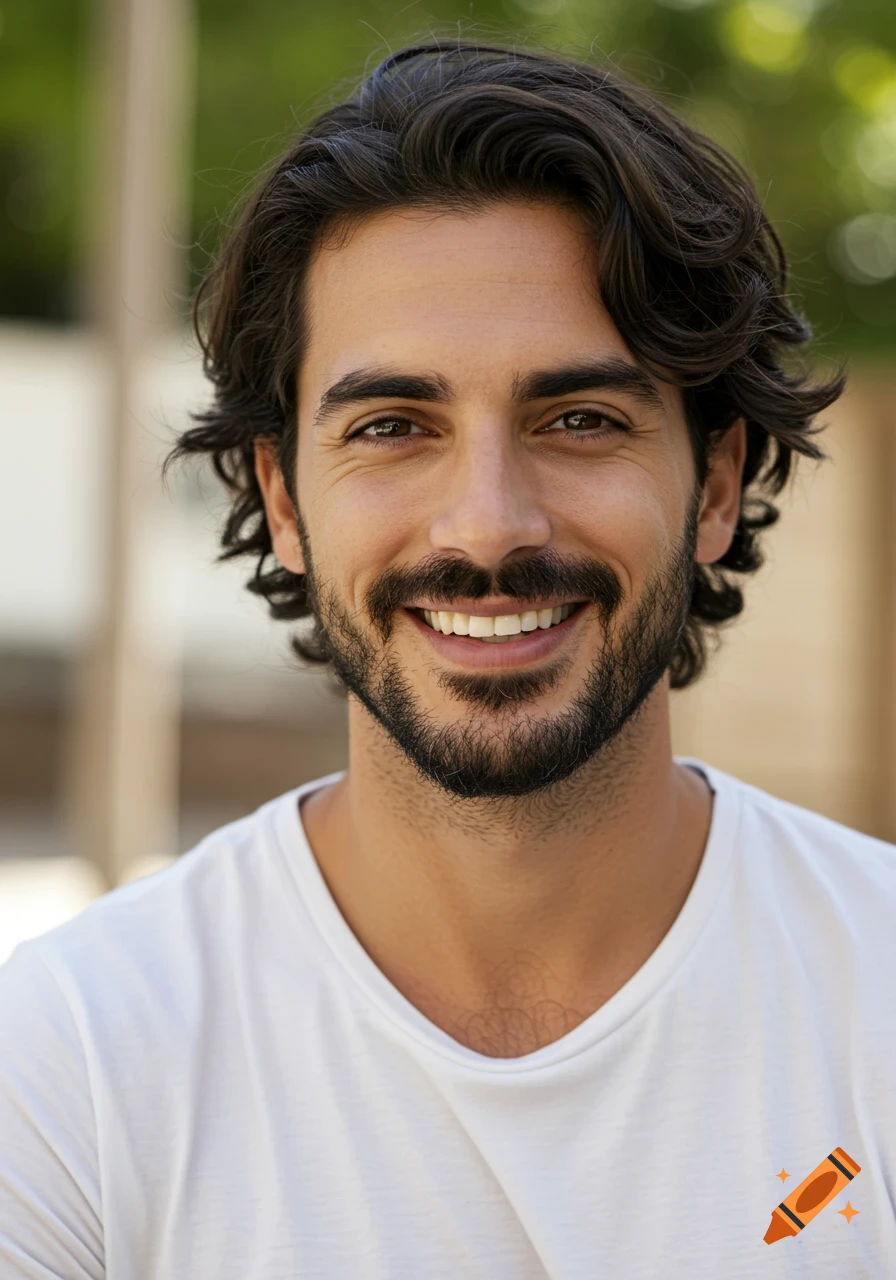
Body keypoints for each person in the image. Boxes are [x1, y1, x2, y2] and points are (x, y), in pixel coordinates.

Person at [1, 37, 894, 1279]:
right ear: (286, 494)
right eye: (392, 427)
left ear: (715, 485)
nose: (486, 523)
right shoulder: (67, 1068)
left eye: (577, 419)